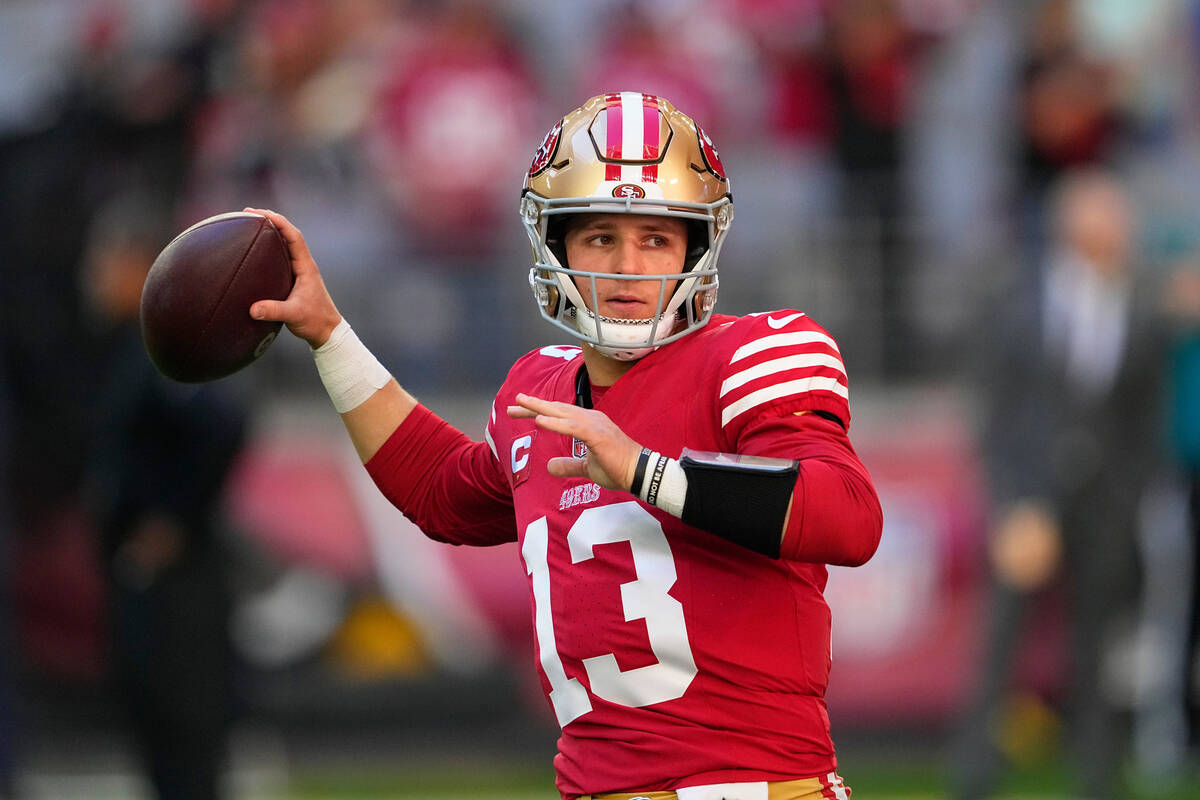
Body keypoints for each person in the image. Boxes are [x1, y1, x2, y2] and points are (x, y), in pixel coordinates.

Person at [249, 92, 883, 800]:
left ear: (697, 248)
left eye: (655, 237)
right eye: (600, 237)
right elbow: (442, 495)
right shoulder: (539, 391)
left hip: (754, 786)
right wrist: (330, 335)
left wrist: (646, 473)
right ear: (556, 246)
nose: (628, 265)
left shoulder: (751, 356)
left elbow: (847, 515)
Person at [949, 168, 1165, 800]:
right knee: (1001, 642)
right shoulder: (1018, 297)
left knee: (1097, 644)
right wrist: (1013, 499)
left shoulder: (1139, 303)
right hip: (1028, 499)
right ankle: (975, 771)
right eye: (1107, 212)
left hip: (1105, 505)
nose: (1121, 224)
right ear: (1075, 224)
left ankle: (1098, 773)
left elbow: (1140, 415)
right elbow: (995, 407)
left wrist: (1129, 496)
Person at [82, 192, 246, 800]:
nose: (95, 275)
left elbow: (222, 424)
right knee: (156, 741)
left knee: (183, 748)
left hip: (177, 589)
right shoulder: (129, 346)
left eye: (107, 259)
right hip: (146, 578)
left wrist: (171, 521)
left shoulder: (168, 347)